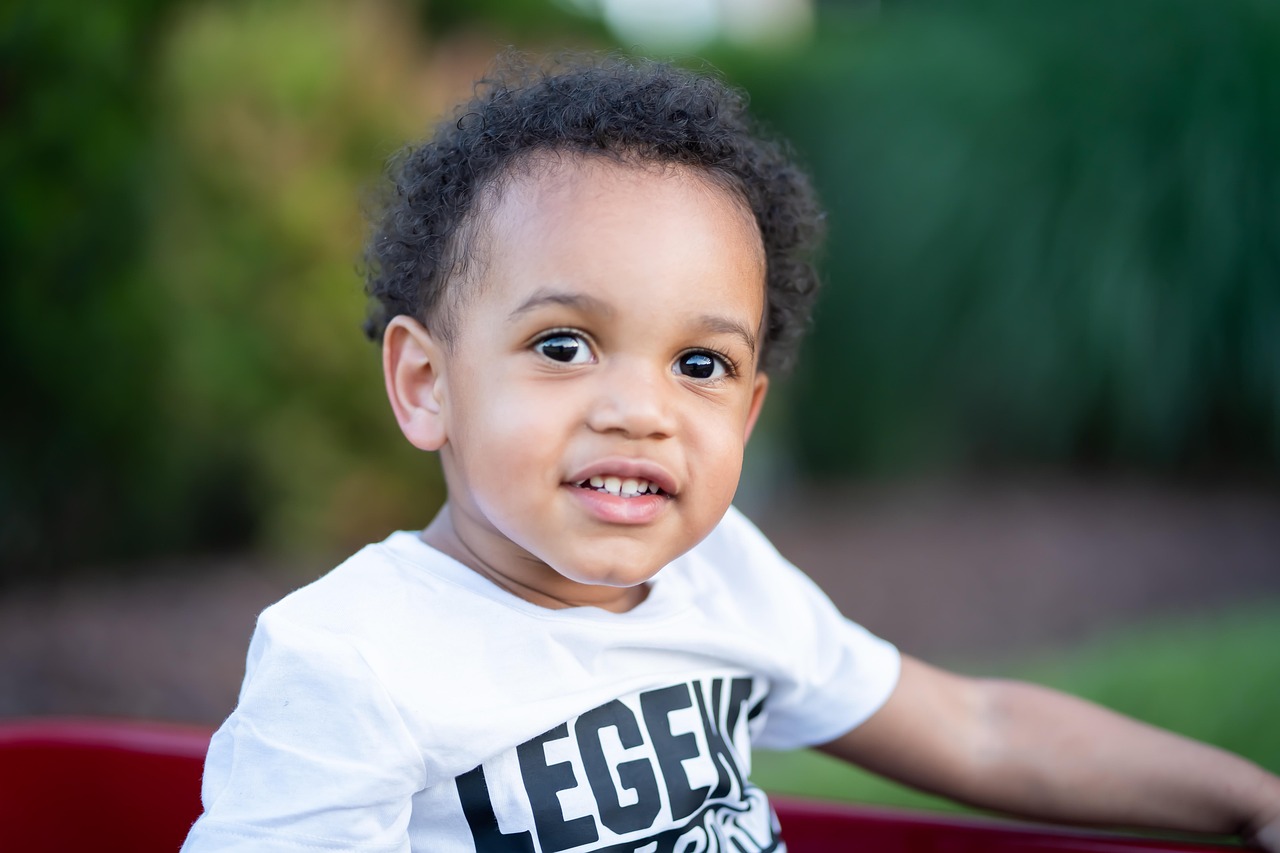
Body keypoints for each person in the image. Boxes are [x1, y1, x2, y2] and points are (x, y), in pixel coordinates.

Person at [181, 53, 1280, 852]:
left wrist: (1249, 800)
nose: (640, 409)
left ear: (747, 415)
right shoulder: (355, 661)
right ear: (427, 386)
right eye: (563, 344)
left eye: (697, 366)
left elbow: (979, 728)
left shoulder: (722, 577)